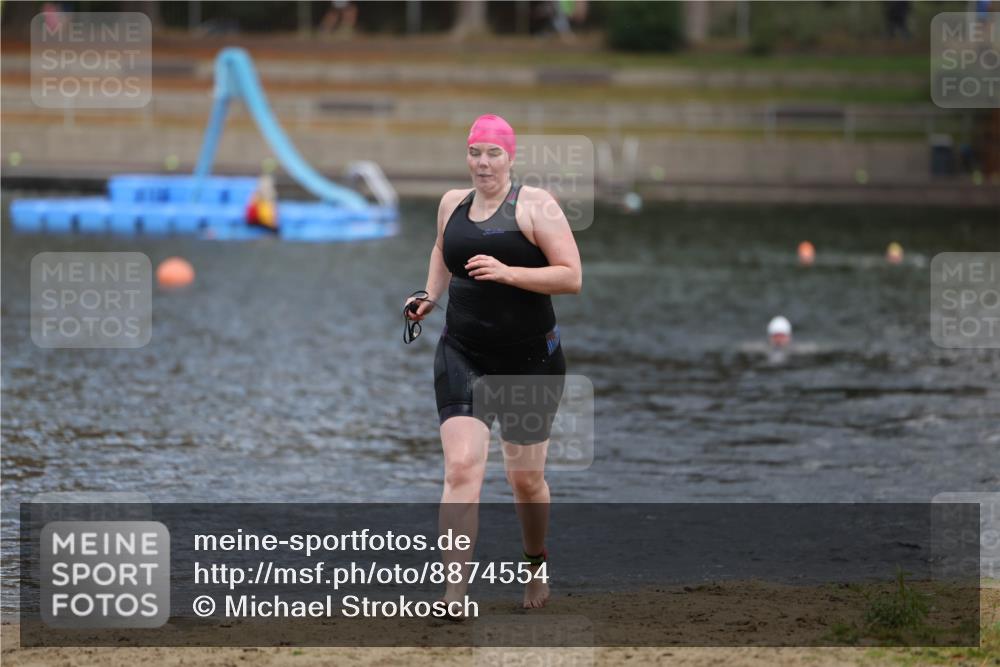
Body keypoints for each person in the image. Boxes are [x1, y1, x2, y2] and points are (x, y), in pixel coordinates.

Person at [405, 114, 582, 612]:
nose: (483, 163)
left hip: (529, 360)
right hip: (463, 352)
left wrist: (508, 272)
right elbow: (443, 249)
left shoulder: (535, 206)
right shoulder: (451, 204)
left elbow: (571, 277)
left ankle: (534, 564)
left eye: (493, 153)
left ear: (510, 157)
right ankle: (454, 593)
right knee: (462, 468)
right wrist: (429, 296)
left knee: (524, 481)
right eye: (475, 152)